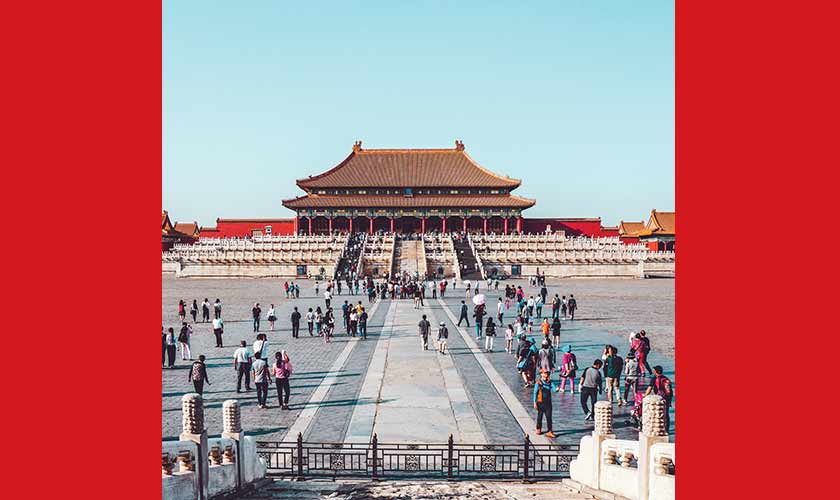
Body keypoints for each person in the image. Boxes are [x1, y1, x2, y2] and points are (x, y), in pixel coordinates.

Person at [644, 366, 673, 431]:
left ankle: (659, 428)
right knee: (666, 414)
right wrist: (670, 401)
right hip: (667, 398)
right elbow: (670, 391)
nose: (653, 371)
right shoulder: (666, 378)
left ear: (655, 371)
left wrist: (644, 396)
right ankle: (666, 429)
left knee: (658, 413)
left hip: (658, 399)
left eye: (654, 370)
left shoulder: (654, 378)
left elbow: (649, 388)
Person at [533, 369, 559, 438]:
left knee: (549, 417)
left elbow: (554, 389)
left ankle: (549, 431)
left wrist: (557, 389)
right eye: (544, 373)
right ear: (541, 374)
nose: (546, 375)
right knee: (539, 416)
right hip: (540, 402)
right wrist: (534, 402)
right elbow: (535, 393)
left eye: (547, 374)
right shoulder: (538, 383)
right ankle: (538, 428)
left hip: (548, 402)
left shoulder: (550, 382)